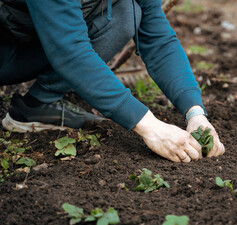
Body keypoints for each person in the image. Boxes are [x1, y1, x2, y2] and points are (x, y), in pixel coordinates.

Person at [0, 0, 225, 162]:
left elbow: (158, 38)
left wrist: (195, 113)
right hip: (7, 51)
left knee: (126, 11)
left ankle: (36, 106)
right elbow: (70, 52)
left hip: (36, 40)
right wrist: (152, 128)